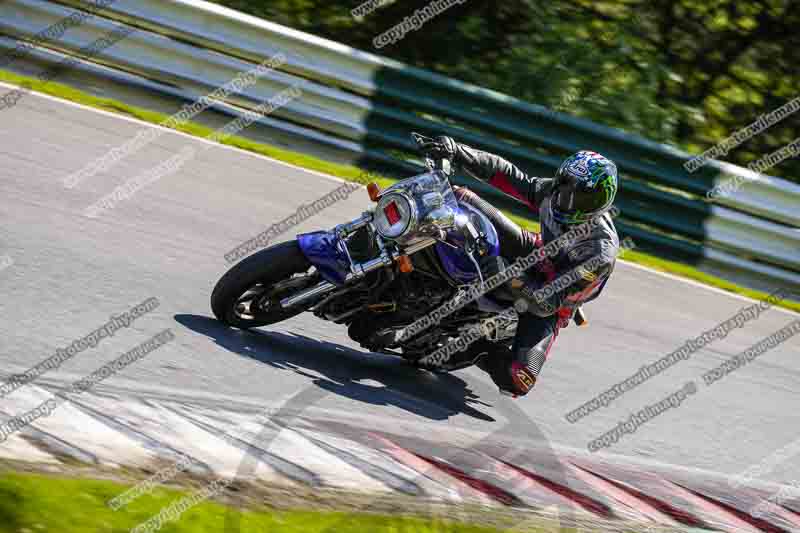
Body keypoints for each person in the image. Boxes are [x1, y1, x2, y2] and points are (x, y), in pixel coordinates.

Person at [418, 136, 620, 397]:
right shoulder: (553, 194)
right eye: (565, 188)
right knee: (459, 197)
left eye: (578, 197)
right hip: (537, 253)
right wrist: (458, 151)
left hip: (552, 301)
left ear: (599, 204)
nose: (565, 200)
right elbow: (507, 174)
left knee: (519, 380)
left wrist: (502, 274)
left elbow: (546, 302)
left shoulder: (599, 252)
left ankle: (481, 346)